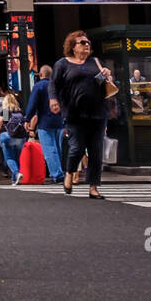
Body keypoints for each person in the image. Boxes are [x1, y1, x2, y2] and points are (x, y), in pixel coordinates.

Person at [49, 31, 113, 199]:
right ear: (72, 46)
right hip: (74, 112)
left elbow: (100, 83)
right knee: (76, 148)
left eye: (88, 43)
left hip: (98, 112)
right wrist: (53, 100)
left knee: (96, 150)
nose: (86, 45)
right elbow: (54, 84)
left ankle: (93, 187)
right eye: (82, 42)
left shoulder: (96, 62)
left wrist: (106, 74)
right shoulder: (62, 64)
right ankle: (69, 173)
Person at [26, 65, 64, 182]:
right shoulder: (58, 86)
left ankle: (57, 174)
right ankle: (60, 170)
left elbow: (33, 104)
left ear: (41, 75)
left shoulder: (39, 86)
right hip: (59, 121)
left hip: (45, 121)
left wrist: (27, 119)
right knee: (58, 149)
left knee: (49, 149)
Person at [0, 90, 27, 185]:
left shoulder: (5, 111)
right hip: (21, 138)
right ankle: (14, 179)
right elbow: (26, 124)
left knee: (9, 158)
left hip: (10, 137)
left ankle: (17, 173)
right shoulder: (20, 111)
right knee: (17, 158)